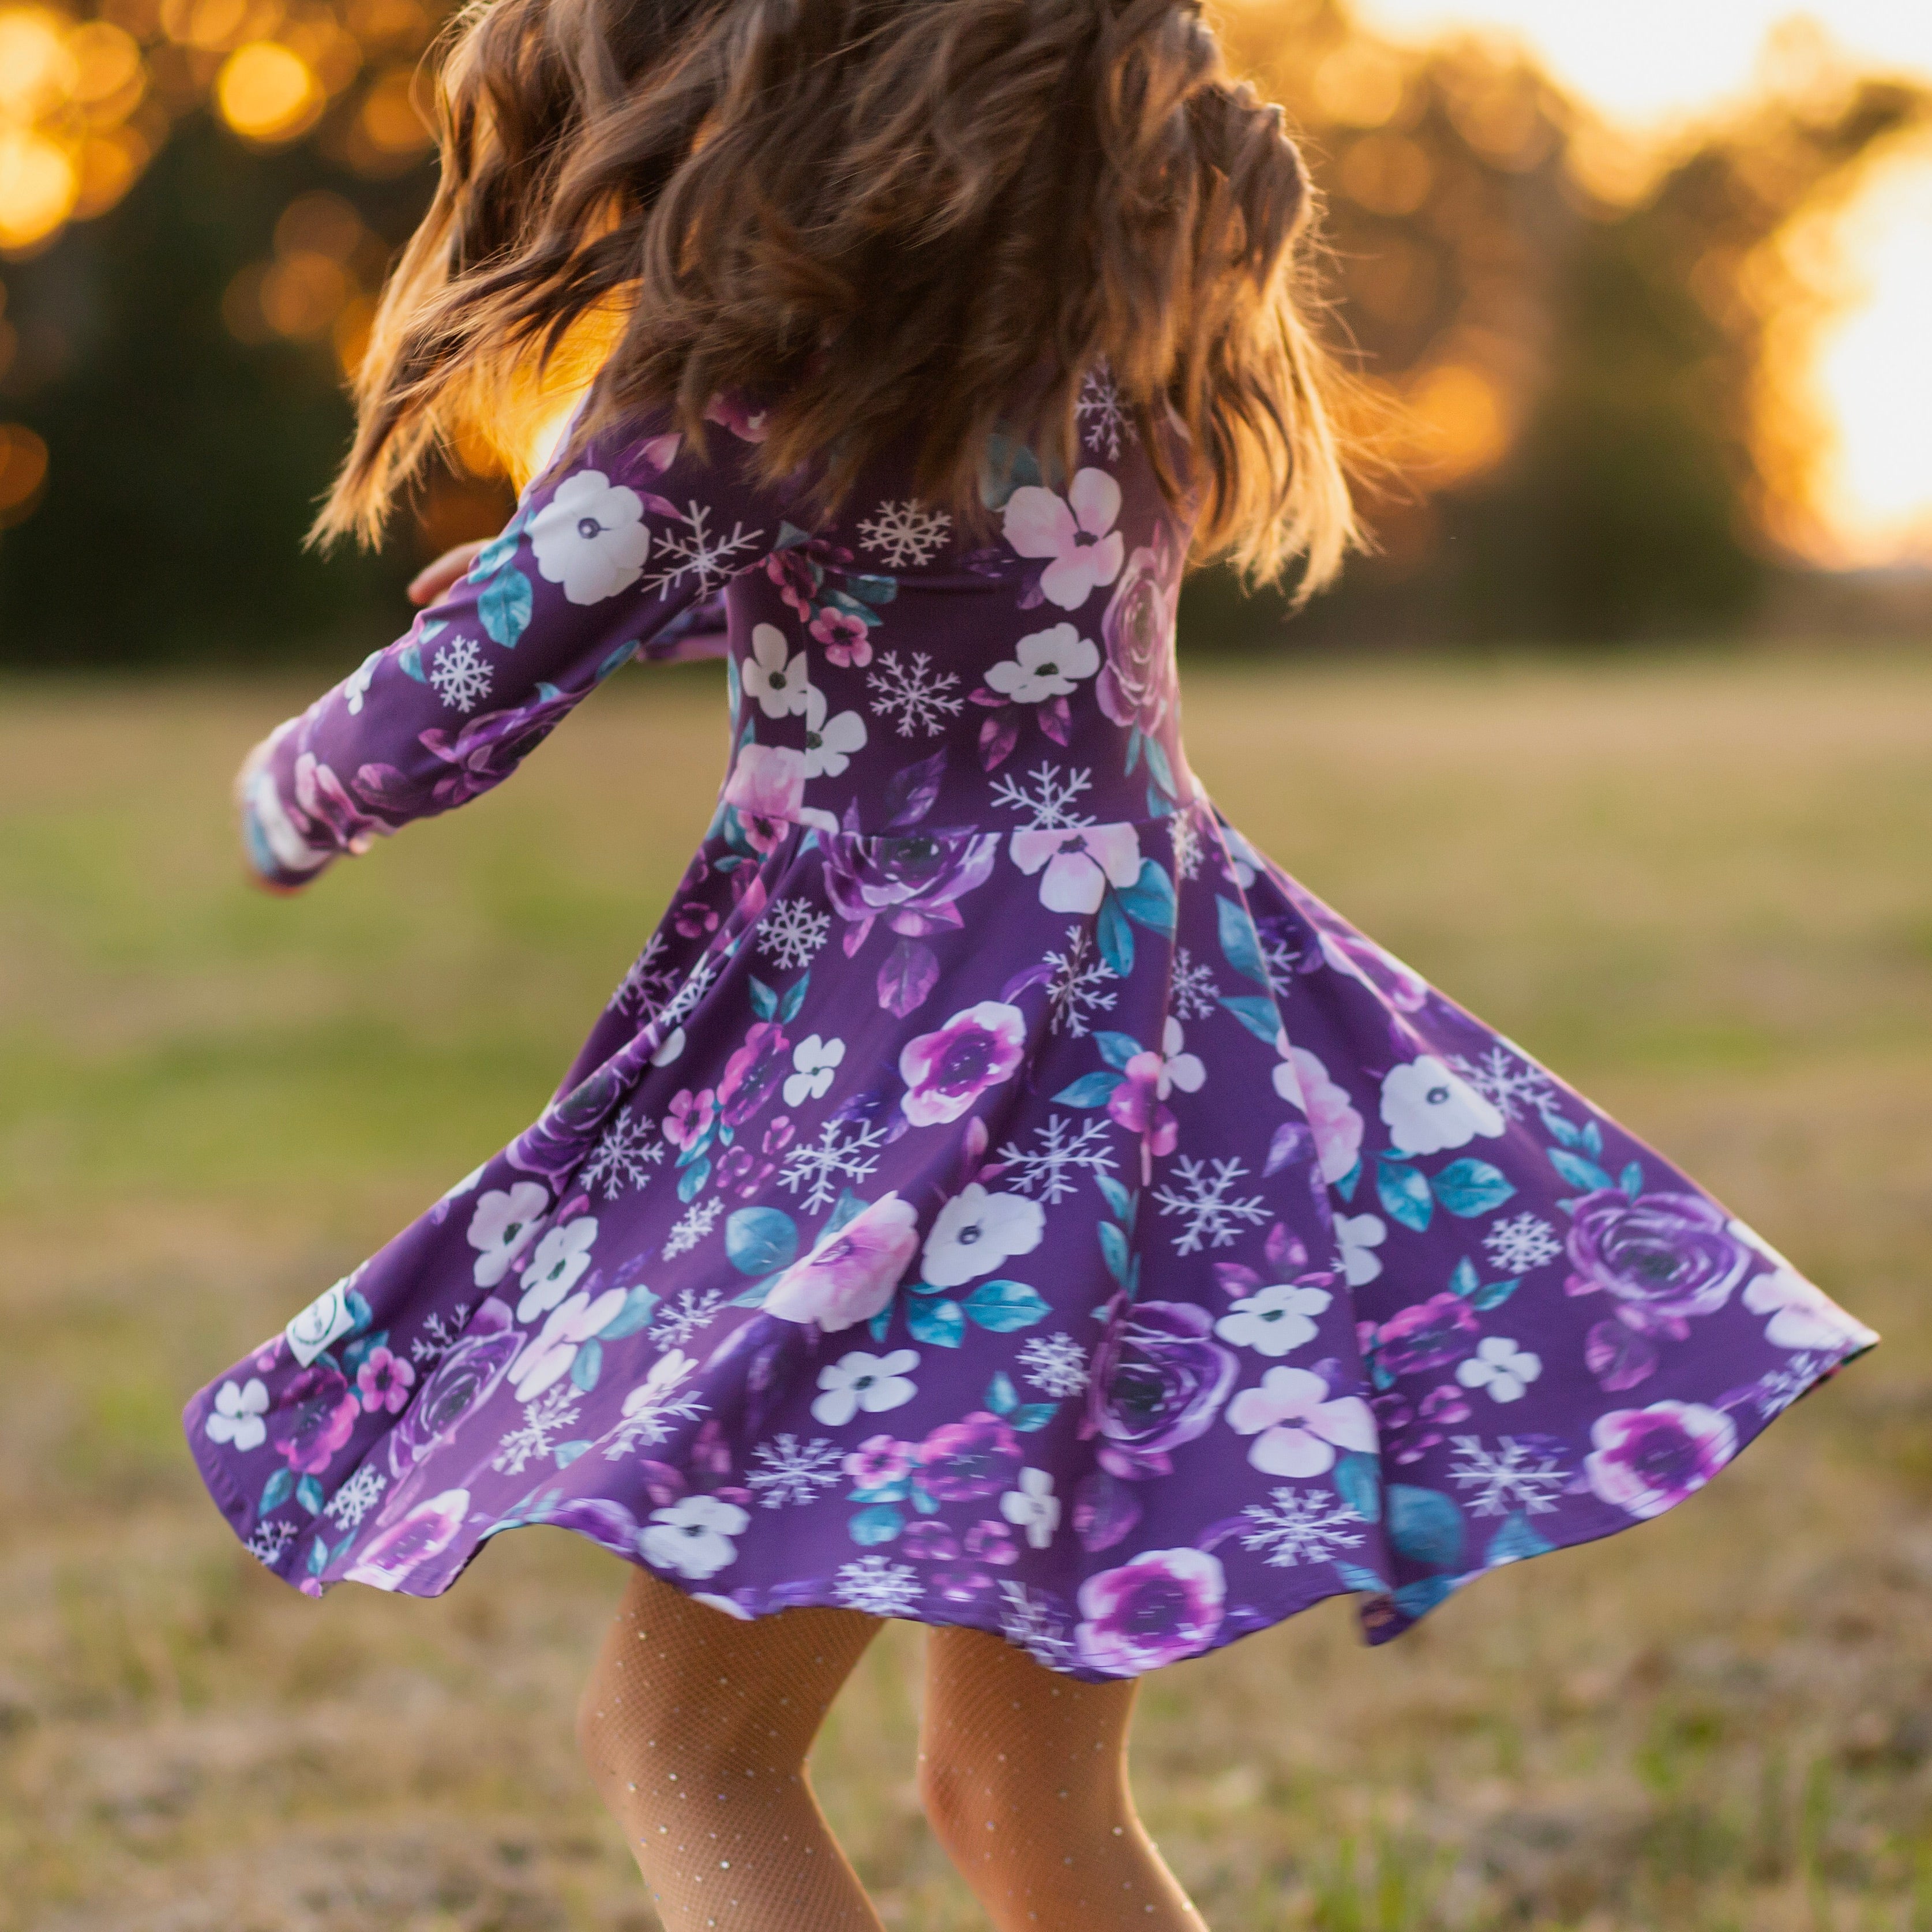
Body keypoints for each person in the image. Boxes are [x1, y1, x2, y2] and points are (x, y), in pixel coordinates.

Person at [182, 2, 1878, 1926]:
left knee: (688, 1753)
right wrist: (656, 594)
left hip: (915, 1083)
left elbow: (433, 718)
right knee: (1016, 1798)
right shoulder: (1089, 357)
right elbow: (961, 614)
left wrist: (275, 806)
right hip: (1149, 1051)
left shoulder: (729, 406)